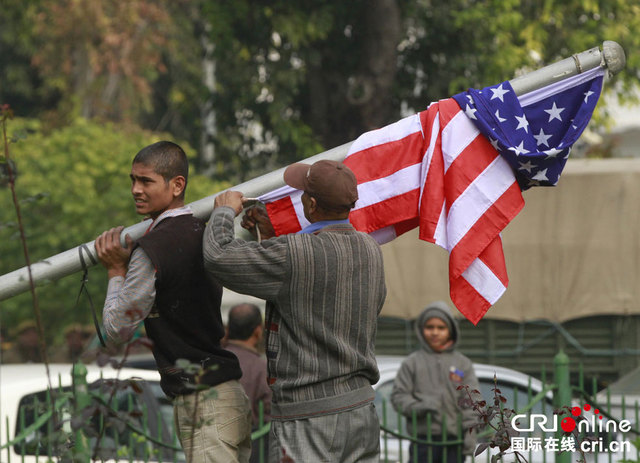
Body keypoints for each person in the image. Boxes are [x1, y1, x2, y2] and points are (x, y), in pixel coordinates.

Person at [203, 159, 386, 462]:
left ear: (311, 204)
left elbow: (218, 256)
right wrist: (269, 235)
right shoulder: (370, 250)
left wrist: (223, 211)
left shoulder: (295, 254)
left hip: (309, 417)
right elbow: (309, 295)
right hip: (361, 410)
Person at [95, 141, 251, 463]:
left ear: (177, 184)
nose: (136, 190)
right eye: (133, 181)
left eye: (146, 181)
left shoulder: (154, 248)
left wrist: (115, 270)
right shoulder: (201, 230)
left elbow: (117, 330)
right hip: (225, 393)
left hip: (205, 399)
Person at [390, 301, 481, 463]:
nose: (435, 332)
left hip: (454, 443)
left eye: (441, 328)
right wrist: (422, 406)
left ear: (450, 331)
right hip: (423, 442)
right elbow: (399, 397)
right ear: (421, 330)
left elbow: (472, 403)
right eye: (429, 327)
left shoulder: (462, 364)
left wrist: (470, 434)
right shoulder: (412, 363)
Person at [225, 303, 272, 463]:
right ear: (258, 331)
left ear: (228, 329)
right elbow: (269, 413)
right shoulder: (261, 368)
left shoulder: (214, 362)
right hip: (253, 450)